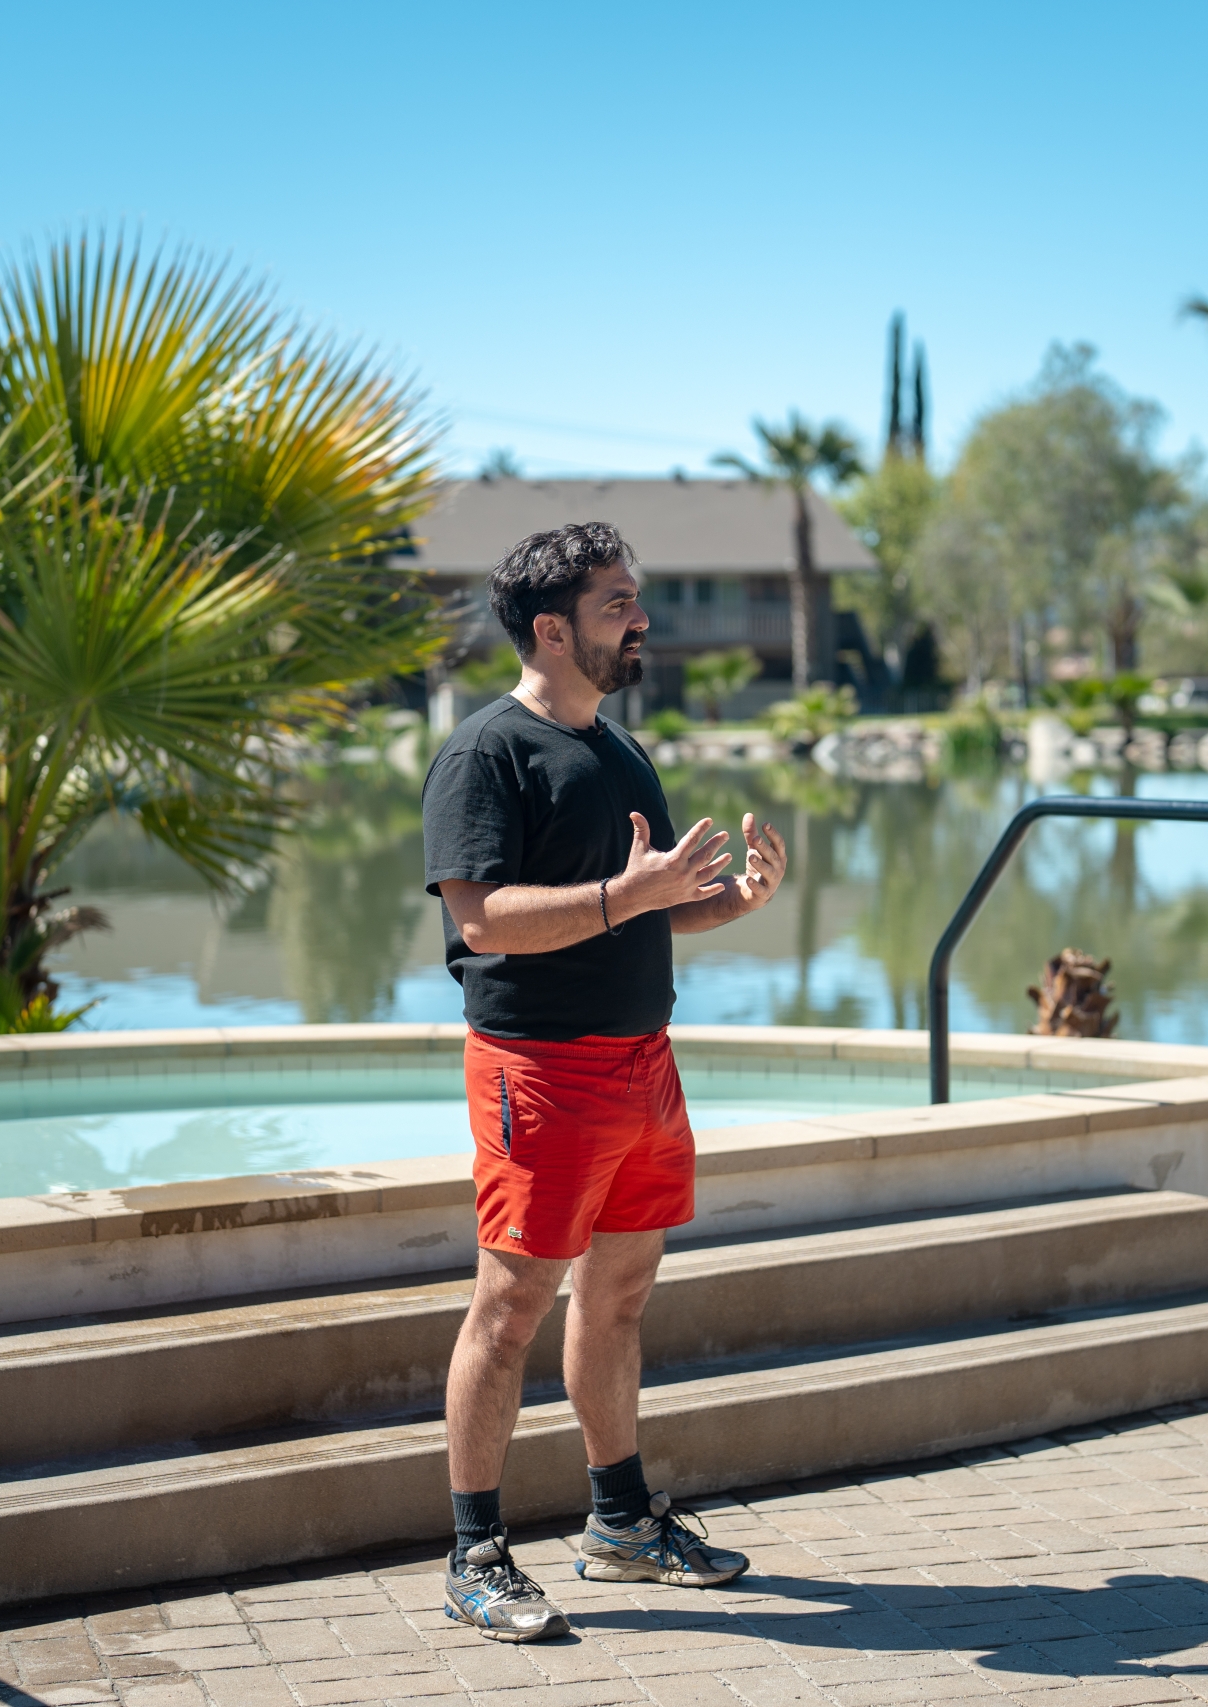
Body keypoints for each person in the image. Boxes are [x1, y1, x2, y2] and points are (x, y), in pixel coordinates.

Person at [421, 521, 789, 1641]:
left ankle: (620, 1526)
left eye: (634, 597)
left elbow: (649, 903)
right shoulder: (486, 754)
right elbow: (480, 918)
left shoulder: (622, 753)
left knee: (621, 1293)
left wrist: (729, 904)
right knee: (512, 1302)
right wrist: (631, 897)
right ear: (551, 627)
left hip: (643, 1063)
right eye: (617, 601)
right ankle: (474, 1551)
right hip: (537, 1070)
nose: (640, 619)